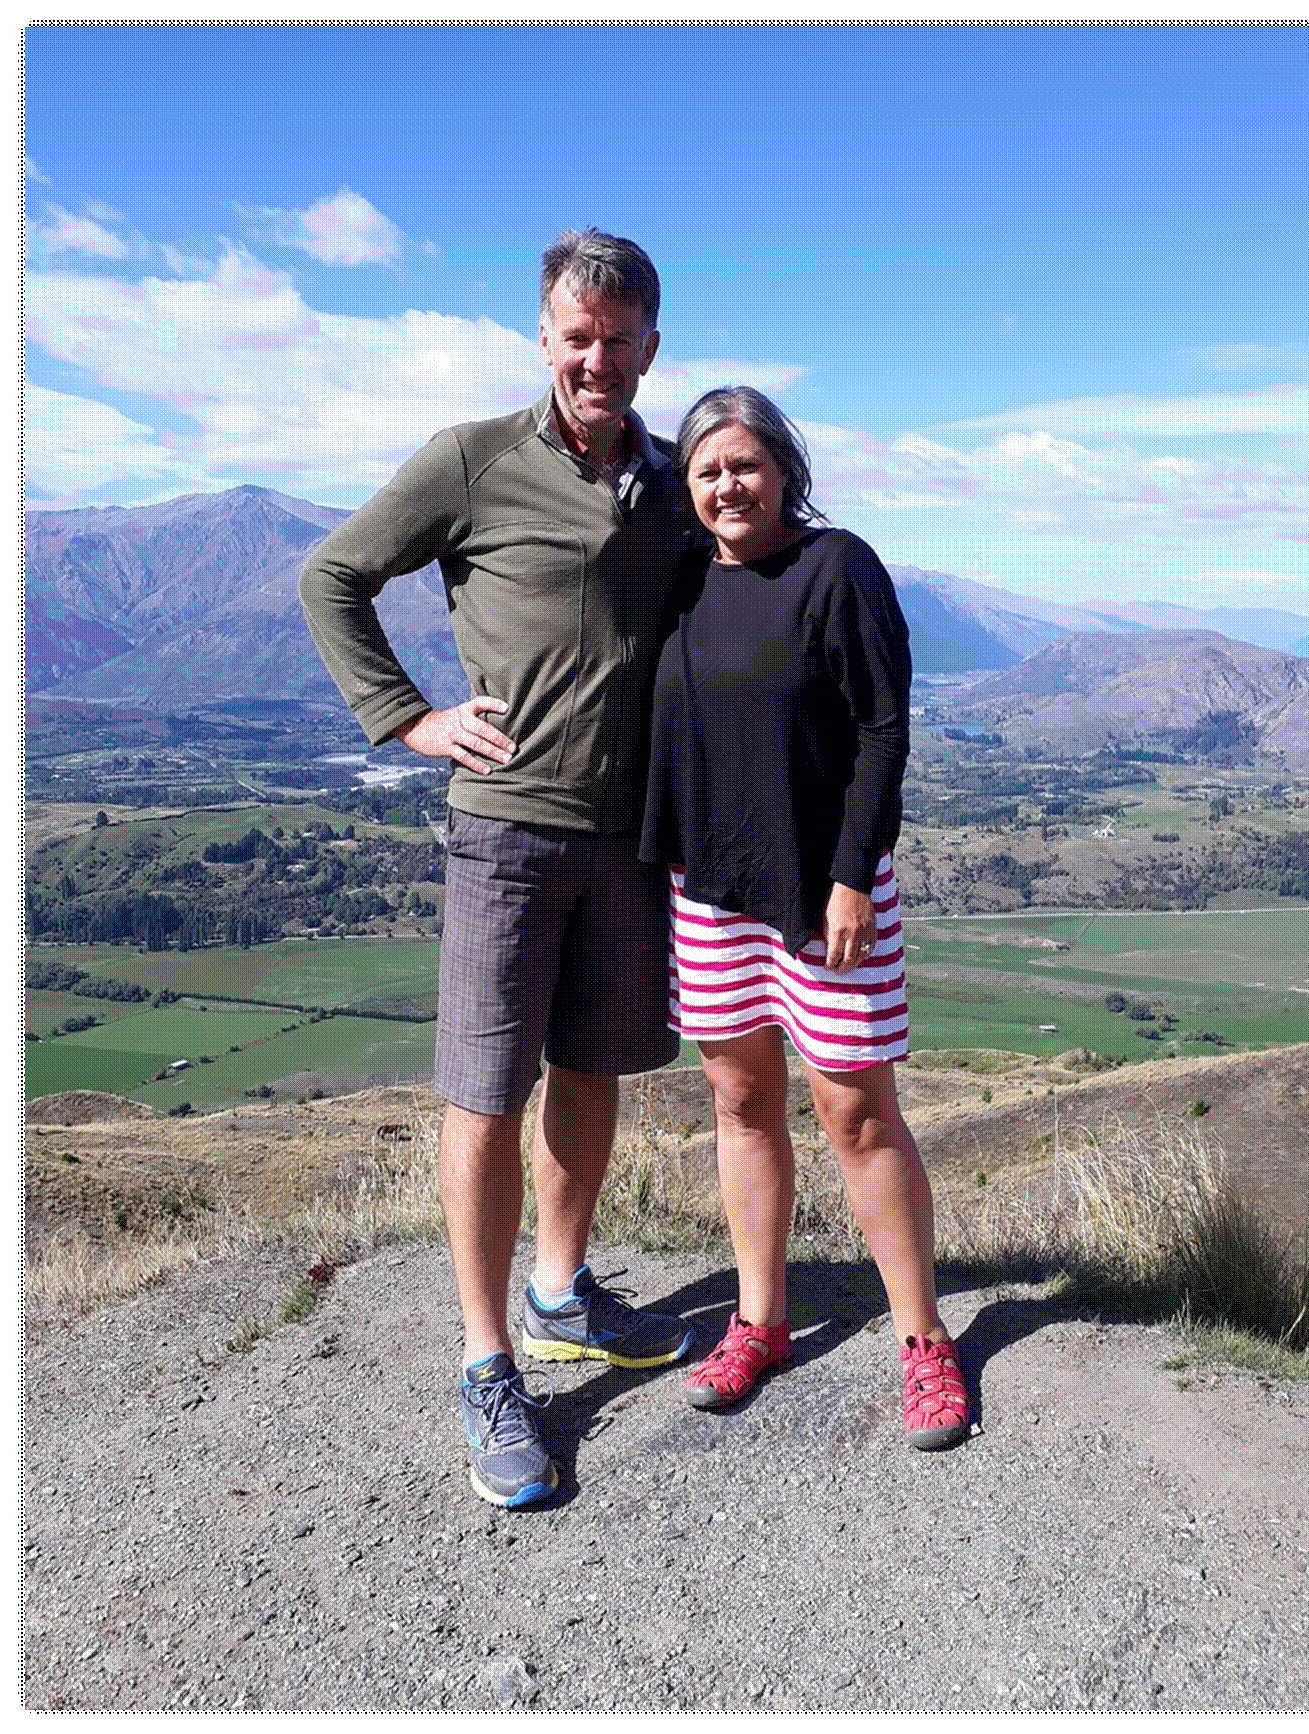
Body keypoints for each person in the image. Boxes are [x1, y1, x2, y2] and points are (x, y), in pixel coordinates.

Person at [300, 229, 695, 1510]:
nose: (598, 360)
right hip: (506, 830)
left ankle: (561, 1295)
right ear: (543, 335)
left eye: (619, 340)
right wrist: (407, 719)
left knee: (588, 1073)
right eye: (576, 337)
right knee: (483, 1093)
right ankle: (485, 1363)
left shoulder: (673, 480)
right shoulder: (471, 460)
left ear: (649, 346)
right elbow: (334, 575)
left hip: (630, 839)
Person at [639, 386, 969, 1450]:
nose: (727, 485)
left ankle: (922, 1341)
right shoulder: (681, 579)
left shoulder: (837, 568)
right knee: (739, 1104)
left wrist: (849, 875)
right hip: (712, 889)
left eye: (744, 464)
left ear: (783, 469)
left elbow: (881, 732)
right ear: (685, 489)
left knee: (855, 1115)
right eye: (706, 471)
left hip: (823, 890)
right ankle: (759, 1322)